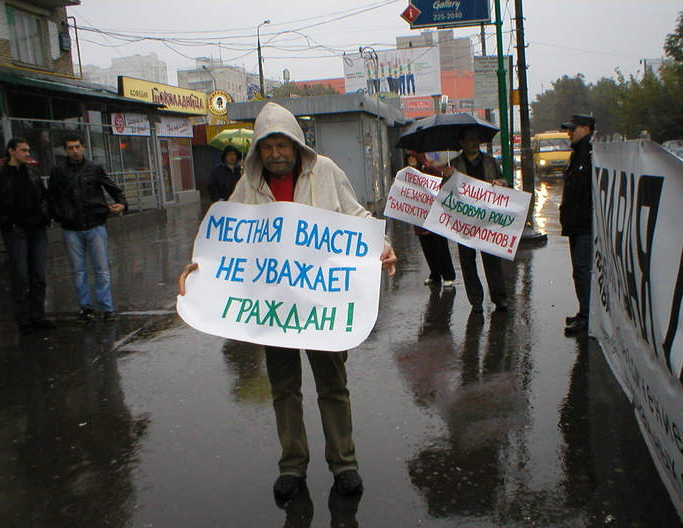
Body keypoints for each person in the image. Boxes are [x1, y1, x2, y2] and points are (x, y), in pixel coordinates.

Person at [179, 102, 397, 500]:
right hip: (273, 308)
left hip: (322, 307)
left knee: (333, 386)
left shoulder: (326, 172)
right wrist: (199, 269)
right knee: (284, 387)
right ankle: (292, 467)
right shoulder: (247, 185)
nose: (276, 154)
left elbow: (357, 216)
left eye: (283, 144)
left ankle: (344, 464)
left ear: (297, 145)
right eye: (267, 146)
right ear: (257, 151)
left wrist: (382, 245)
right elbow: (227, 241)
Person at [48, 132, 127, 323]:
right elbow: (52, 197)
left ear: (83, 146)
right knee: (78, 270)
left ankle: (107, 308)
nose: (74, 151)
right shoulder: (58, 171)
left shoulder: (95, 168)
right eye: (70, 148)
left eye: (77, 146)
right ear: (65, 150)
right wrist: (59, 215)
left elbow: (114, 188)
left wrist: (121, 203)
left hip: (95, 225)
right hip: (71, 227)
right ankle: (86, 309)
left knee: (101, 269)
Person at [442, 127, 510, 314]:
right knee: (467, 260)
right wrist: (446, 177)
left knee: (492, 259)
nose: (475, 141)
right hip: (464, 220)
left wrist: (501, 183)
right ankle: (476, 300)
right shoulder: (454, 164)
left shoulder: (490, 161)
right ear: (462, 143)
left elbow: (504, 180)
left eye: (477, 138)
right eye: (470, 139)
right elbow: (444, 193)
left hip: (487, 218)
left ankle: (499, 298)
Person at [0, 138, 55, 334]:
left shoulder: (32, 173)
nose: (27, 153)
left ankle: (38, 315)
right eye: (23, 150)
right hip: (15, 230)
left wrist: (46, 216)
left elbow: (43, 197)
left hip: (37, 229)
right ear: (11, 151)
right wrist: (6, 222)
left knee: (38, 275)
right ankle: (23, 319)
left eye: (28, 150)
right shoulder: (0, 175)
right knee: (21, 275)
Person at [559, 114, 595, 335]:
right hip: (575, 223)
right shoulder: (576, 155)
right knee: (579, 270)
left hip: (585, 224)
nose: (569, 133)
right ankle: (584, 312)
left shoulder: (591, 155)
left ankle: (587, 317)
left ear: (586, 128)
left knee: (583, 270)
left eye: (573, 129)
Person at [405, 151, 456, 288]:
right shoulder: (407, 174)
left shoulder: (429, 170)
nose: (411, 159)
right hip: (419, 217)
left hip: (434, 214)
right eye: (408, 158)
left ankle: (448, 275)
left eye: (413, 157)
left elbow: (440, 182)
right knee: (427, 247)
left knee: (440, 245)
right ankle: (435, 274)